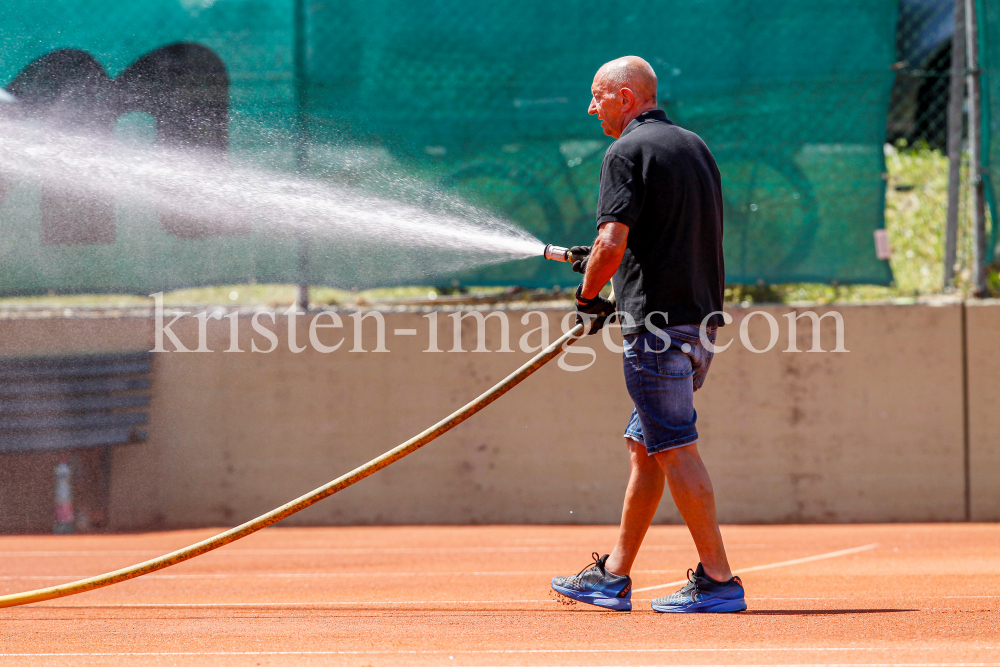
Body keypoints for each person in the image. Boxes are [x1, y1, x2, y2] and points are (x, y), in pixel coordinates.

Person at [549, 56, 745, 613]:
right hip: (699, 322)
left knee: (675, 448)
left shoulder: (624, 152)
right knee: (647, 447)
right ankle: (613, 575)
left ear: (627, 97)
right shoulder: (693, 146)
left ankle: (719, 581)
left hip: (656, 328)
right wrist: (615, 273)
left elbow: (611, 242)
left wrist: (588, 298)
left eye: (598, 96)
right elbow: (664, 236)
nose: (591, 107)